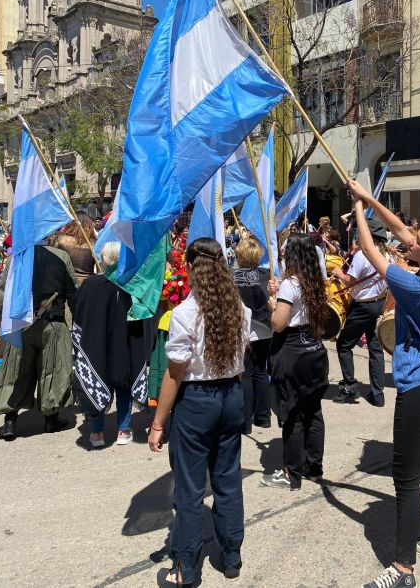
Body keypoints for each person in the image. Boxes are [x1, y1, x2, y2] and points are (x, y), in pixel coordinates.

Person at [347, 179, 420, 588]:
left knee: (405, 477)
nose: (409, 240)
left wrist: (360, 214)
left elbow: (371, 252)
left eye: (417, 241)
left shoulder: (414, 286)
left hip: (418, 387)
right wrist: (369, 199)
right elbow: (399, 231)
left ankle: (402, 569)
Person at [148, 238, 251, 587]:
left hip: (198, 400)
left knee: (190, 489)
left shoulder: (185, 314)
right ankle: (232, 552)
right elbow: (240, 365)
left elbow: (175, 374)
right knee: (227, 477)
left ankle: (187, 565)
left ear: (191, 269)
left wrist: (158, 423)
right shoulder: (238, 308)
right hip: (231, 394)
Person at [261, 233, 329, 491]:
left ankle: (291, 472)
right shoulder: (316, 282)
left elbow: (279, 324)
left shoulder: (291, 284)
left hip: (293, 351)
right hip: (315, 350)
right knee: (313, 411)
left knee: (292, 413)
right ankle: (314, 467)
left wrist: (272, 304)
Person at [72, 242, 154, 448]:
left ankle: (97, 432)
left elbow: (78, 314)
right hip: (124, 343)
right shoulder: (133, 285)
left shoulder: (91, 285)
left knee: (99, 379)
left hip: (97, 343)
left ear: (104, 259)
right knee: (123, 382)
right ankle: (123, 430)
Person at [0, 239, 78, 440]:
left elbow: (3, 293)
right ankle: (51, 418)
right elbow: (72, 291)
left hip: (22, 325)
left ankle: (10, 422)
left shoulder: (17, 257)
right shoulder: (61, 257)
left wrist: (4, 323)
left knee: (16, 371)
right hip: (53, 323)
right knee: (52, 370)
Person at [332, 216, 389, 407]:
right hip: (379, 303)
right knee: (375, 349)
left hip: (363, 306)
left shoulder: (362, 255)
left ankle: (350, 386)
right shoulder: (385, 254)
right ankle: (378, 394)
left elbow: (349, 281)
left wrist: (338, 273)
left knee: (343, 344)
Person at [233, 237, 273, 434]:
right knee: (261, 371)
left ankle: (245, 420)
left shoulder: (233, 277)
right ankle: (264, 416)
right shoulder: (267, 274)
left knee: (247, 373)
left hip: (245, 330)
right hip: (265, 329)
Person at [53, 212, 96, 285]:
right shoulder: (95, 244)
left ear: (70, 224)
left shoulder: (59, 239)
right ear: (89, 225)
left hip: (65, 284)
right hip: (86, 286)